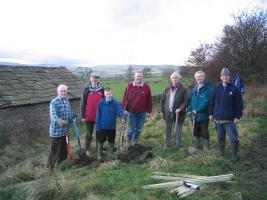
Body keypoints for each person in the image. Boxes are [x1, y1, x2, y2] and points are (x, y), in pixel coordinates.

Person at [209, 67, 244, 161]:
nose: (225, 77)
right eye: (223, 75)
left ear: (229, 77)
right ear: (220, 77)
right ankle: (221, 153)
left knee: (234, 139)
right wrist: (211, 113)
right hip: (218, 119)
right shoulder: (216, 88)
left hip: (230, 120)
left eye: (227, 75)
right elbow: (212, 102)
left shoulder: (234, 89)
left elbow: (239, 104)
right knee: (220, 138)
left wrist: (237, 116)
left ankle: (234, 154)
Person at [121, 71, 153, 148]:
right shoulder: (129, 86)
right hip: (131, 112)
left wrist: (149, 111)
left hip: (142, 113)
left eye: (140, 76)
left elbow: (149, 100)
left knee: (139, 129)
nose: (139, 77)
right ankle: (128, 142)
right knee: (131, 129)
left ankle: (134, 140)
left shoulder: (146, 87)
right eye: (137, 76)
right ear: (134, 77)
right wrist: (124, 109)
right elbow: (124, 98)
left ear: (142, 77)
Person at [159, 71, 188, 150]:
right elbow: (162, 100)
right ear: (171, 79)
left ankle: (177, 145)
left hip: (179, 114)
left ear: (179, 78)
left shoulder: (184, 89)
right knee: (168, 128)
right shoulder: (167, 89)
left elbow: (186, 101)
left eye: (176, 78)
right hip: (168, 113)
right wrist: (161, 111)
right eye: (173, 78)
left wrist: (180, 108)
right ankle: (167, 143)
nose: (175, 79)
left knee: (178, 130)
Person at [95, 87, 124, 162]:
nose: (108, 95)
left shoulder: (115, 103)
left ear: (111, 93)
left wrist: (123, 117)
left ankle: (111, 154)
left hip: (112, 127)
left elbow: (120, 111)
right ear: (104, 94)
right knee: (100, 141)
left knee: (111, 140)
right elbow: (98, 116)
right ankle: (100, 156)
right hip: (102, 127)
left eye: (109, 94)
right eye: (107, 94)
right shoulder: (100, 103)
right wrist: (98, 127)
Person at [47, 84, 72, 170]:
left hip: (65, 131)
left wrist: (70, 118)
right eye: (62, 91)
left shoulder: (67, 101)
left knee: (64, 151)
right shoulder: (54, 102)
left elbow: (68, 113)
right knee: (55, 151)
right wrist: (59, 121)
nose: (63, 92)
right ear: (58, 92)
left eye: (65, 91)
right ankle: (50, 168)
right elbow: (53, 115)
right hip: (56, 132)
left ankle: (60, 165)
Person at [80, 72, 104, 157]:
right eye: (93, 77)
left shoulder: (101, 89)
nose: (94, 79)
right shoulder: (86, 89)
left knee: (99, 133)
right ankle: (87, 150)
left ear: (98, 79)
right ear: (90, 78)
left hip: (99, 115)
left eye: (96, 78)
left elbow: (104, 102)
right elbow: (82, 103)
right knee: (88, 134)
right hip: (89, 115)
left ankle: (99, 149)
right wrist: (82, 116)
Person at [187, 71, 212, 150]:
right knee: (195, 131)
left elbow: (206, 101)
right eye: (197, 77)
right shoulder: (194, 88)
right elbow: (191, 101)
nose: (198, 78)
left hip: (203, 115)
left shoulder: (208, 88)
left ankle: (206, 148)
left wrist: (196, 110)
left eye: (200, 76)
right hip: (193, 115)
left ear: (204, 77)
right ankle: (198, 147)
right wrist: (189, 109)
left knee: (204, 132)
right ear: (195, 78)